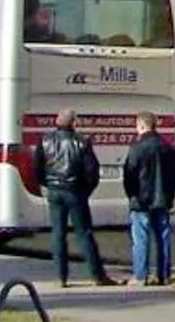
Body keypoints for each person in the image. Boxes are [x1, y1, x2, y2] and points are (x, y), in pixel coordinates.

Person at [38, 113, 117, 287]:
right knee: (84, 234)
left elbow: (38, 167)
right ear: (74, 123)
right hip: (75, 191)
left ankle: (61, 277)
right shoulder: (82, 142)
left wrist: (48, 183)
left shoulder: (45, 141)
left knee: (58, 233)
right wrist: (85, 190)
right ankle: (98, 276)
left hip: (54, 191)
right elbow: (92, 171)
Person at [121, 112, 175, 287]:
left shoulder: (137, 148)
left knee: (140, 237)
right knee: (163, 237)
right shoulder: (168, 148)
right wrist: (169, 197)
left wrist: (132, 196)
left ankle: (140, 275)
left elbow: (129, 176)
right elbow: (173, 177)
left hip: (141, 200)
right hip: (162, 199)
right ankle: (164, 275)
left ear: (141, 126)